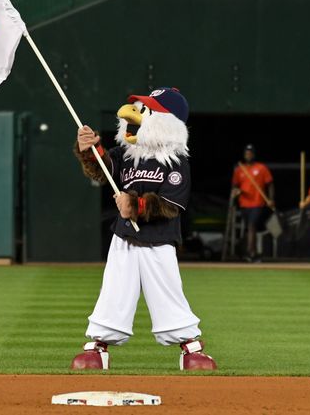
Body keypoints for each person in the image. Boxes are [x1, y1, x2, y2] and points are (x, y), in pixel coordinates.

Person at [70, 87, 216, 371]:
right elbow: (103, 169)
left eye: (146, 110)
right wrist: (89, 150)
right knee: (114, 287)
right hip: (124, 236)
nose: (134, 114)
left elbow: (171, 205)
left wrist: (136, 206)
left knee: (167, 289)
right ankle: (98, 347)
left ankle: (190, 347)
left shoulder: (176, 161)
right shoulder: (127, 153)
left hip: (159, 240)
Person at [231, 144, 274, 262]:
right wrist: (236, 192)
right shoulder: (239, 169)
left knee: (251, 226)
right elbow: (235, 186)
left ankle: (251, 253)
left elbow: (270, 184)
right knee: (250, 228)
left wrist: (271, 199)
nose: (248, 155)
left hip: (258, 203)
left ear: (253, 154)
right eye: (246, 153)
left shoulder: (261, 168)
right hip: (244, 203)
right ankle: (252, 253)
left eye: (250, 153)